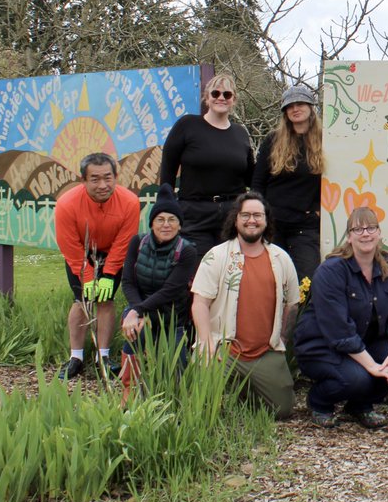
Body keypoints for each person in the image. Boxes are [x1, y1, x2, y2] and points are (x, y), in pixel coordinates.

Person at [294, 207, 388, 429]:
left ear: (379, 233)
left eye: (371, 228)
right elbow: (339, 331)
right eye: (358, 229)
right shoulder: (331, 271)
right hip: (322, 347)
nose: (365, 234)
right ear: (349, 237)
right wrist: (372, 367)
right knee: (358, 378)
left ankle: (360, 405)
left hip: (362, 343)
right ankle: (319, 402)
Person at [190, 192, 301, 419]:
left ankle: (245, 392)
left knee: (282, 410)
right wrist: (206, 342)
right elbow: (200, 303)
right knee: (202, 406)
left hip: (264, 352)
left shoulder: (281, 259)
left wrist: (281, 339)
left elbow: (292, 304)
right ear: (236, 219)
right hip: (223, 349)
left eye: (258, 215)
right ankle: (231, 387)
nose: (252, 220)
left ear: (266, 220)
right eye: (246, 215)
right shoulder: (216, 256)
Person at [54, 152, 141, 380]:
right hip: (81, 254)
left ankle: (103, 356)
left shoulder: (130, 202)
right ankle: (76, 357)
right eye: (95, 179)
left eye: (107, 178)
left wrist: (109, 273)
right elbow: (68, 244)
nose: (102, 185)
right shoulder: (66, 204)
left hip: (112, 252)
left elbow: (124, 241)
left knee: (105, 300)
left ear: (115, 177)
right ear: (83, 180)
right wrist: (88, 276)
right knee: (81, 301)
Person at [160, 73, 255, 261]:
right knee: (199, 269)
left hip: (232, 215)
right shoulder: (187, 125)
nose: (221, 97)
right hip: (194, 214)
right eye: (215, 93)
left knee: (232, 270)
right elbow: (168, 170)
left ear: (234, 99)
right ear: (207, 97)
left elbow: (251, 177)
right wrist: (166, 206)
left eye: (227, 94)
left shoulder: (240, 133)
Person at [119, 183, 199, 382]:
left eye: (172, 220)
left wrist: (136, 310)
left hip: (172, 319)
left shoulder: (187, 251)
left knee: (175, 377)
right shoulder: (137, 243)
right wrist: (136, 311)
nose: (166, 225)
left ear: (180, 225)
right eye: (160, 219)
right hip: (141, 312)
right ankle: (129, 386)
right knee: (134, 331)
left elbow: (170, 290)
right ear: (152, 223)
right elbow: (128, 282)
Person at [251, 83, 325, 284]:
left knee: (308, 280)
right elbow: (258, 182)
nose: (295, 109)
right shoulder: (273, 140)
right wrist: (258, 214)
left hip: (305, 225)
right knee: (271, 280)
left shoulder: (325, 140)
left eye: (300, 103)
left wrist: (319, 210)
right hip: (273, 223)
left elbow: (332, 181)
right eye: (290, 106)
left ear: (311, 107)